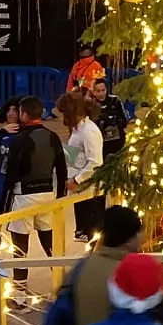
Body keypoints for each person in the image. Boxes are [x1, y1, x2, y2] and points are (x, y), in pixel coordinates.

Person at [5, 97, 67, 273]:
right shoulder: (53, 137)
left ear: (24, 114)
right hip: (47, 195)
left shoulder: (19, 140)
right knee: (49, 242)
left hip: (23, 195)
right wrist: (60, 198)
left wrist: (3, 205)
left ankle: (19, 293)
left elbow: (10, 175)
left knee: (20, 247)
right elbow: (62, 170)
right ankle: (61, 283)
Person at [57, 89, 104, 237]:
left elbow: (95, 162)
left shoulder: (89, 131)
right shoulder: (78, 129)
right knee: (84, 235)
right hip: (80, 189)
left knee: (92, 235)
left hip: (89, 191)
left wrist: (76, 180)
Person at [88, 73, 131, 162]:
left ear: (107, 90)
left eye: (103, 90)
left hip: (117, 141)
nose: (101, 93)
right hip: (101, 143)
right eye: (98, 91)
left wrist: (114, 120)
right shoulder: (90, 105)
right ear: (93, 92)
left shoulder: (115, 101)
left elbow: (124, 122)